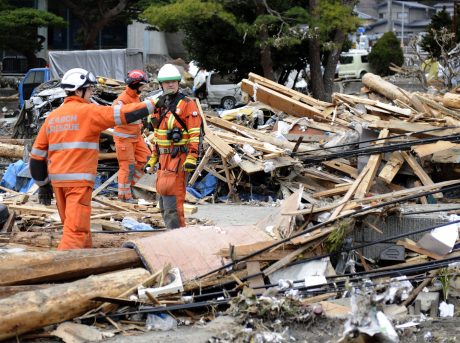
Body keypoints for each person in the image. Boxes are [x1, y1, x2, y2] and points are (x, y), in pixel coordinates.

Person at [29, 68, 157, 250]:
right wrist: (153, 104)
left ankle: (86, 265)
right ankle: (61, 270)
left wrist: (43, 184)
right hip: (78, 185)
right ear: (79, 90)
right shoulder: (89, 112)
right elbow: (123, 114)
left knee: (75, 227)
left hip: (58, 185)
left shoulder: (52, 118)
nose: (91, 94)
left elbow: (36, 157)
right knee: (75, 233)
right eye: (89, 90)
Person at [145, 64, 202, 229]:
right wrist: (152, 159)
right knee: (163, 202)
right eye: (167, 82)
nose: (171, 84)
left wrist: (192, 157)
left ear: (178, 83)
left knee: (172, 202)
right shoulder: (159, 105)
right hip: (163, 160)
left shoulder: (186, 104)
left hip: (178, 158)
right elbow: (158, 136)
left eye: (174, 82)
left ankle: (177, 237)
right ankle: (172, 235)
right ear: (161, 84)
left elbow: (194, 134)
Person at [113, 69, 151, 202]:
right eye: (142, 85)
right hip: (124, 139)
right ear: (135, 85)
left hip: (136, 136)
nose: (144, 87)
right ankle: (124, 196)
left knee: (146, 159)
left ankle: (129, 187)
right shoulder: (121, 101)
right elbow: (121, 118)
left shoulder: (136, 96)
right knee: (127, 167)